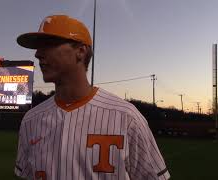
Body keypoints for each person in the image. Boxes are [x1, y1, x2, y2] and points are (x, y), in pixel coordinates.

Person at [14, 14, 170, 180]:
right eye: (38, 47)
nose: (38, 54)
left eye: (49, 44)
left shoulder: (126, 117)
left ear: (80, 51)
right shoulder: (31, 120)